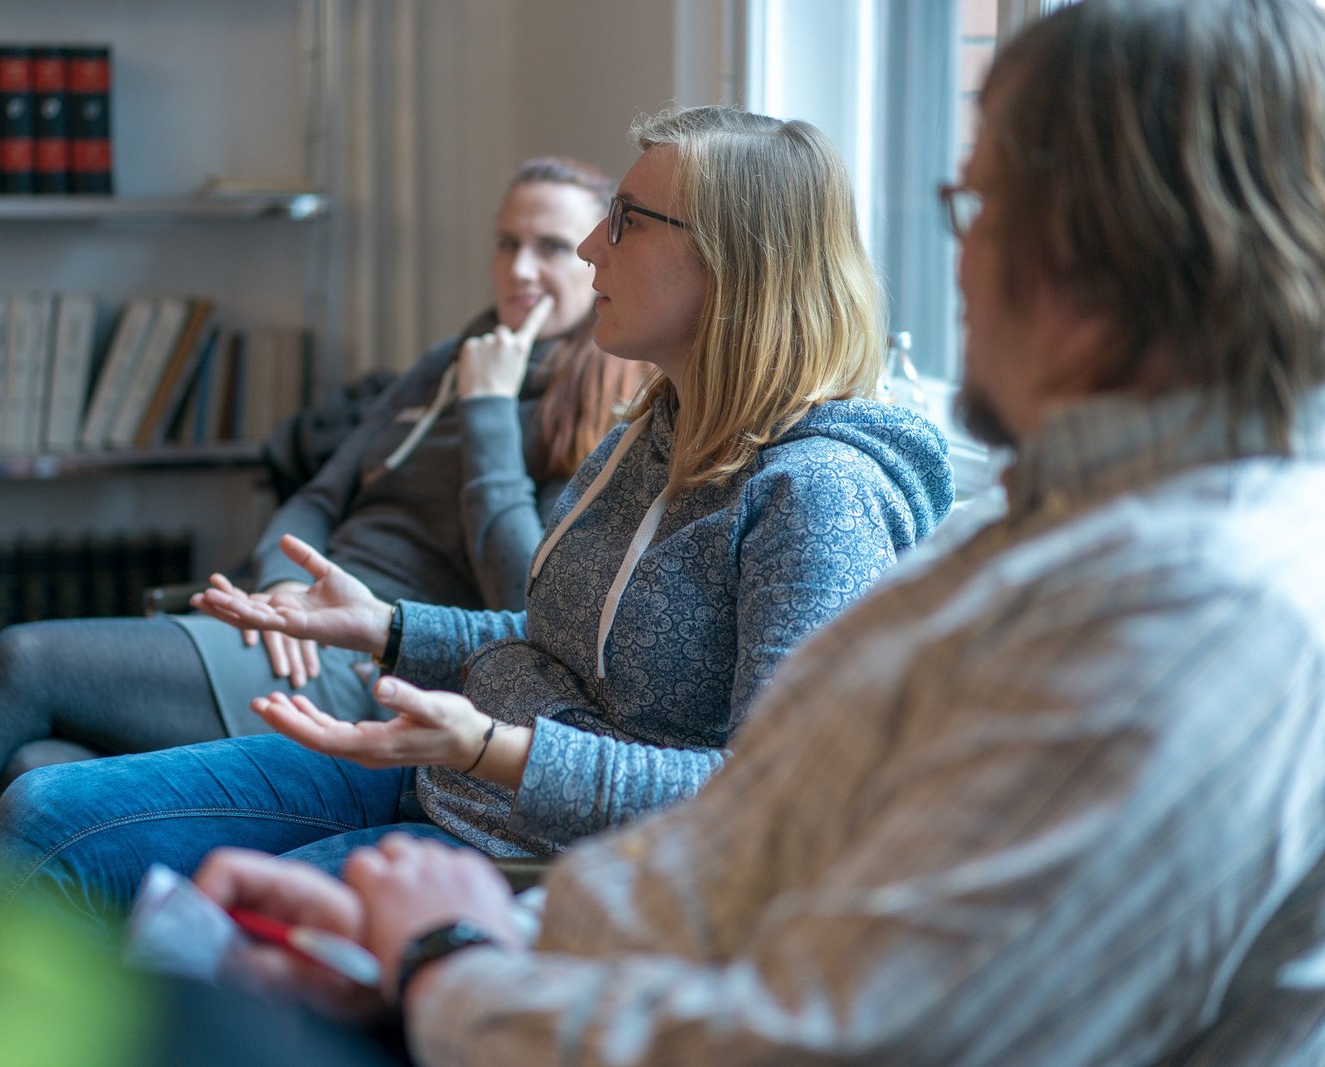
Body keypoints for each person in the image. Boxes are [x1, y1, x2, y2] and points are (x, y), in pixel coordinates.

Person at [180, 1, 1325, 1063]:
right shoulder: (1045, 534)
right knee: (174, 964)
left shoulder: (1189, 611)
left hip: (535, 965)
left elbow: (829, 1035)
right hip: (540, 946)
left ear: (1100, 248)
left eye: (975, 207)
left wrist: (446, 964)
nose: (955, 262)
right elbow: (733, 856)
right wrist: (440, 940)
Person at [0, 105, 956, 925]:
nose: (585, 245)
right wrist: (390, 628)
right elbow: (557, 644)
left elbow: (769, 793)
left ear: (732, 263)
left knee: (187, 930)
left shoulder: (817, 494)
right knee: (44, 803)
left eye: (626, 218)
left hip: (543, 856)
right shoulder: (651, 428)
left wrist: (488, 746)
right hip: (452, 780)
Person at [0, 156, 647, 853]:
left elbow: (521, 588)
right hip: (291, 622)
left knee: (24, 660)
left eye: (550, 246)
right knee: (36, 765)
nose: (520, 268)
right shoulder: (451, 360)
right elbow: (319, 494)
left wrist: (487, 411)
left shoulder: (597, 411)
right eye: (506, 243)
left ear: (590, 257)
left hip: (364, 660)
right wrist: (277, 581)